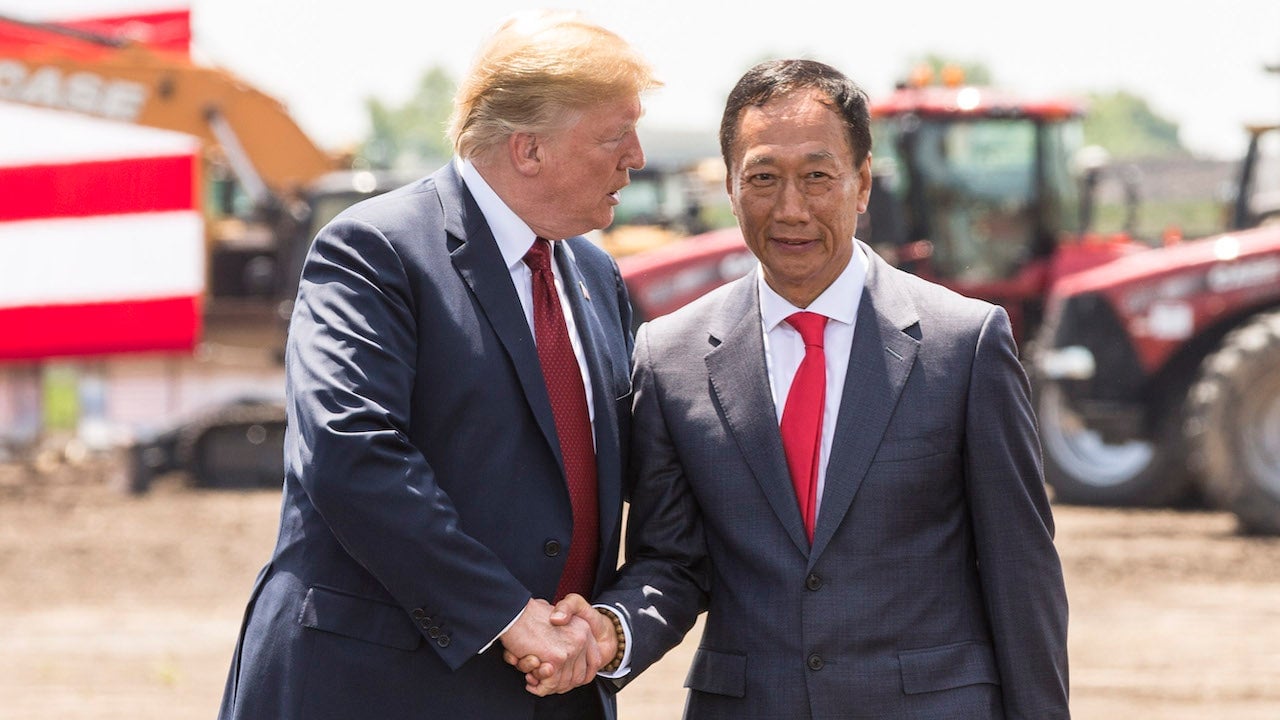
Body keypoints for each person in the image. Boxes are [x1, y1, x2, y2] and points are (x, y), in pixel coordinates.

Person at [520, 59, 1070, 719]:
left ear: (862, 183)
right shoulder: (670, 357)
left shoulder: (965, 344)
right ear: (728, 185)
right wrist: (610, 631)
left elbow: (1021, 578)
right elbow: (673, 560)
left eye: (817, 176)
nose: (790, 209)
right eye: (762, 178)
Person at [216, 10, 658, 720]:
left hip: (555, 696)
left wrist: (606, 627)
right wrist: (505, 613)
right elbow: (350, 454)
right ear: (529, 149)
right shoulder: (374, 252)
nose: (635, 156)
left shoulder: (596, 278)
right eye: (614, 135)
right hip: (375, 690)